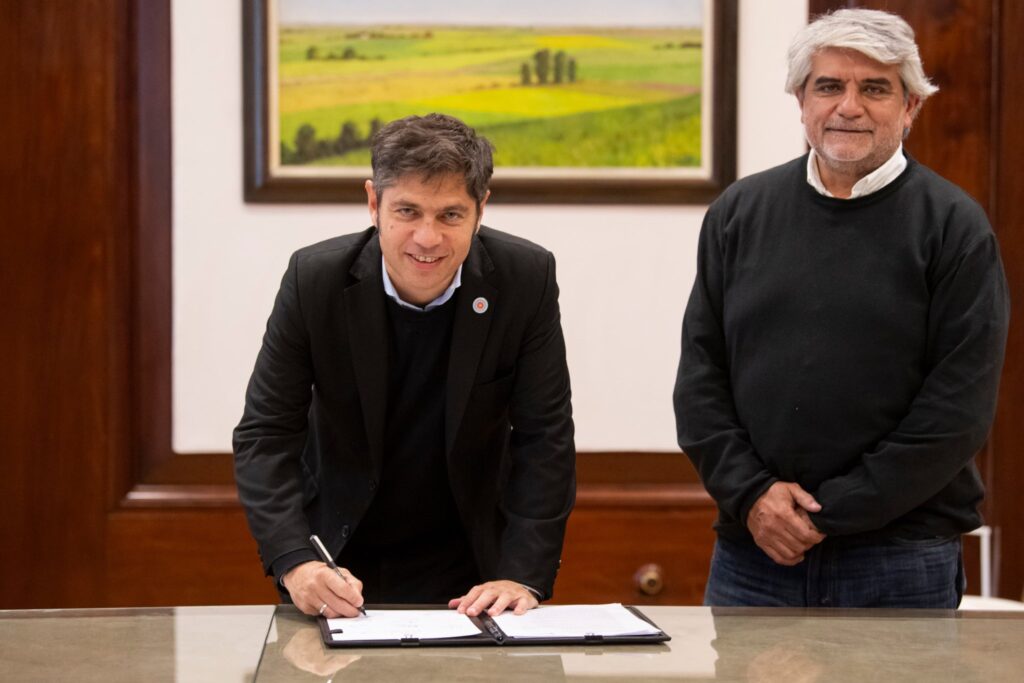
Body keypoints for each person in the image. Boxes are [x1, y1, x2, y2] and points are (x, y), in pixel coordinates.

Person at [673, 9, 1009, 608]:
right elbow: (701, 380)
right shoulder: (739, 213)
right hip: (754, 555)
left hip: (899, 560)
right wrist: (753, 497)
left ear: (910, 108)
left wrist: (824, 515)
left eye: (874, 88)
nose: (848, 106)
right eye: (829, 86)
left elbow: (957, 411)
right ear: (802, 101)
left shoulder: (955, 228)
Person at [234, 113, 575, 619]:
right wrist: (295, 560)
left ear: (481, 209)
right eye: (408, 211)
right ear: (374, 203)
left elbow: (544, 437)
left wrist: (522, 574)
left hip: (475, 569)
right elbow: (266, 433)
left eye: (451, 215)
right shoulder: (315, 281)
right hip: (336, 562)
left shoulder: (525, 279)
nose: (427, 237)